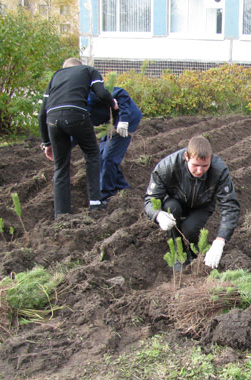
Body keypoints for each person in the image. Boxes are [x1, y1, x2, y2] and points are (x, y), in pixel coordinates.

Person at [144, 135, 240, 270]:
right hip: (175, 202)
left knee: (190, 228)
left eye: (205, 166)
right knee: (171, 208)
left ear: (211, 159)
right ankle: (179, 254)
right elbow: (150, 199)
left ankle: (196, 254)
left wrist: (220, 240)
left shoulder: (219, 171)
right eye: (195, 165)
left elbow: (230, 206)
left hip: (202, 205)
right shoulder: (167, 167)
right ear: (186, 157)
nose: (199, 170)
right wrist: (158, 215)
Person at [39, 57, 118, 217]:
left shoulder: (56, 76)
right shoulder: (88, 70)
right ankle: (95, 204)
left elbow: (42, 113)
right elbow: (101, 92)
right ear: (78, 66)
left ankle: (61, 214)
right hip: (76, 115)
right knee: (92, 154)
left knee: (60, 166)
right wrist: (112, 103)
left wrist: (46, 142)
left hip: (53, 120)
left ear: (65, 67)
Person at [87, 86, 142, 202]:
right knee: (101, 155)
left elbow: (121, 94)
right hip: (109, 123)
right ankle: (122, 187)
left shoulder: (90, 93)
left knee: (109, 157)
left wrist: (124, 119)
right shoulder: (75, 107)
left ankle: (107, 195)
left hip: (126, 119)